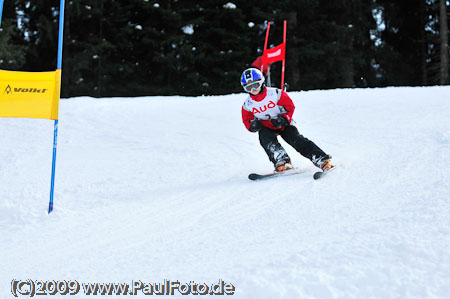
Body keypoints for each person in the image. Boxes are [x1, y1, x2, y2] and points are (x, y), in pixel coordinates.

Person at [240, 67, 335, 173]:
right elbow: (246, 119)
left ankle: (321, 159)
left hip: (284, 124)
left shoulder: (275, 93)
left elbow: (289, 106)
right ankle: (282, 161)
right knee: (265, 138)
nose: (253, 90)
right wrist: (252, 126)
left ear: (261, 82)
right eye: (249, 88)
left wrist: (284, 118)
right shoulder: (248, 104)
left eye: (255, 86)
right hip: (266, 126)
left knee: (296, 139)